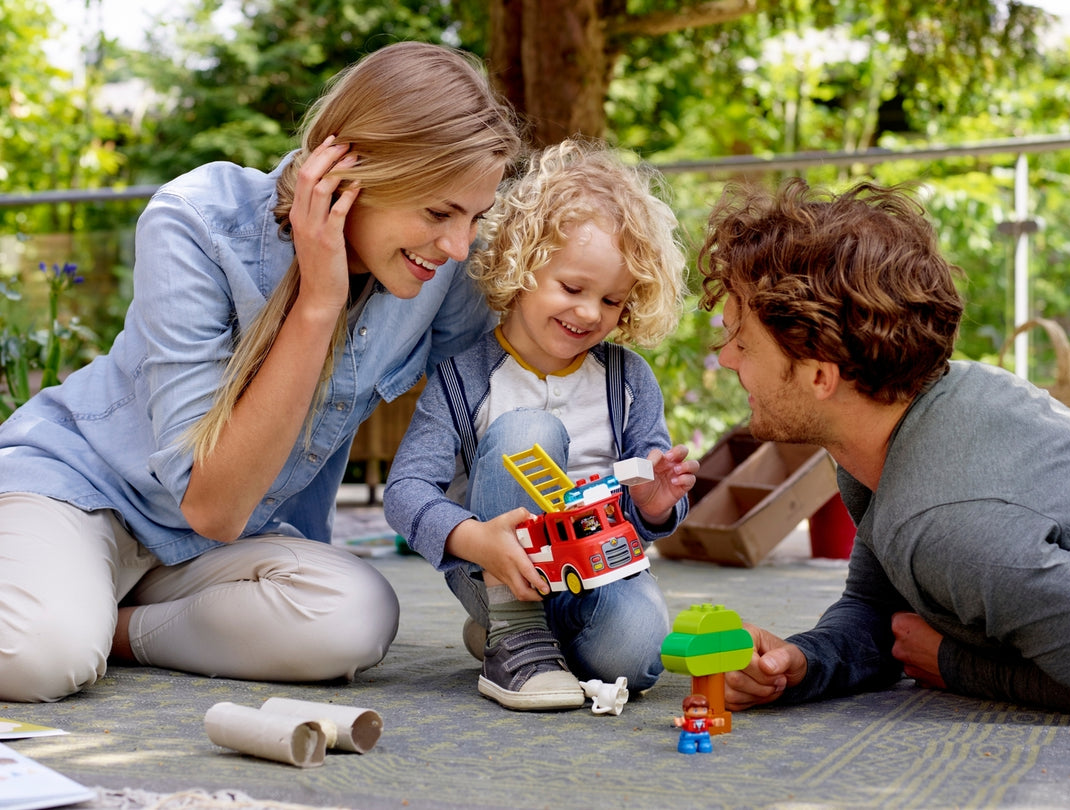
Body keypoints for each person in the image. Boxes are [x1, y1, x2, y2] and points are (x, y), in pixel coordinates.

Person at [0, 41, 522, 703]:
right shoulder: (196, 221)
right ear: (346, 173)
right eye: (438, 212)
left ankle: (110, 626)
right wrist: (319, 302)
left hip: (212, 555)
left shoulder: (445, 270)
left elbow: (475, 434)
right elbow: (213, 503)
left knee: (354, 617)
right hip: (82, 494)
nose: (457, 245)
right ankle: (58, 607)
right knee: (39, 658)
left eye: (473, 216)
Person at [699, 178, 1070, 714]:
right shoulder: (894, 429)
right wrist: (802, 662)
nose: (730, 361)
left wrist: (955, 664)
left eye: (742, 343)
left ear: (820, 376)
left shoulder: (952, 526)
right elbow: (881, 609)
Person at [383, 140, 698, 711]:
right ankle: (511, 628)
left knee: (640, 657)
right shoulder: (464, 377)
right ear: (522, 264)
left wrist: (654, 502)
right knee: (527, 432)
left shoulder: (627, 379)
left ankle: (536, 645)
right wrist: (473, 540)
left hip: (598, 572)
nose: (588, 313)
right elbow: (406, 491)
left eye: (611, 301)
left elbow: (644, 508)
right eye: (572, 289)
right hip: (497, 573)